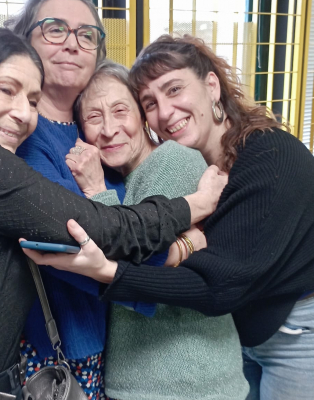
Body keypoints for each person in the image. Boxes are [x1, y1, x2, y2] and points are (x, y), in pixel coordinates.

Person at [0, 28, 226, 400]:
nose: (23, 114)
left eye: (33, 101)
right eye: (7, 90)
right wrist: (194, 211)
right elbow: (101, 230)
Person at [23, 35, 314, 400]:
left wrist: (113, 262)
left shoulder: (265, 156)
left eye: (175, 89)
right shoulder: (195, 164)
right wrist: (185, 243)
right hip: (243, 332)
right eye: (151, 102)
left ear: (211, 85)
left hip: (293, 329)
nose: (165, 112)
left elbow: (215, 284)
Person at [64, 59, 249, 400]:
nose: (109, 129)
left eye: (120, 110)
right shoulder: (124, 180)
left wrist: (95, 189)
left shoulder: (172, 159)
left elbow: (132, 262)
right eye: (94, 117)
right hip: (145, 380)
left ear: (142, 116)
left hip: (188, 382)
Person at [5, 1, 123, 397]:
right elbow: (71, 240)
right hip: (57, 351)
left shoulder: (96, 126)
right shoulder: (20, 132)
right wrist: (174, 254)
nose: (72, 44)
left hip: (113, 340)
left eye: (86, 35)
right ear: (25, 40)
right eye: (55, 29)